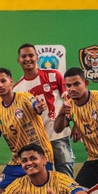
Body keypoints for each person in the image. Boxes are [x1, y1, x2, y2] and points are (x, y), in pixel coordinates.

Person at [13, 43, 75, 178]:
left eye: (31, 55)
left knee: (66, 176)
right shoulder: (17, 89)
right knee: (42, 179)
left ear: (37, 57)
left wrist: (76, 123)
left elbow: (70, 101)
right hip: (37, 142)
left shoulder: (54, 75)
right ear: (18, 60)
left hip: (59, 135)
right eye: (24, 56)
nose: (27, 59)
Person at [0, 67, 53, 189]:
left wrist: (39, 107)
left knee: (42, 193)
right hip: (17, 159)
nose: (0, 85)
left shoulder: (24, 97)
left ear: (11, 82)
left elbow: (36, 106)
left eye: (3, 81)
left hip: (39, 155)